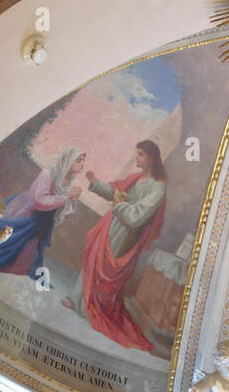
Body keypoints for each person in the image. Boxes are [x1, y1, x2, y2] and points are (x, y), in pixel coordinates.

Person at [62, 139, 166, 351]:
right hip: (112, 224)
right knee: (93, 259)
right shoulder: (137, 178)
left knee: (106, 269)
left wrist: (119, 206)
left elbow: (137, 216)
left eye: (140, 155)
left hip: (127, 232)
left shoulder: (158, 187)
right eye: (137, 154)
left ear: (151, 158)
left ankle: (96, 309)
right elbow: (116, 192)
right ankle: (76, 299)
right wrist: (96, 183)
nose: (137, 158)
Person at [0, 145, 86, 278]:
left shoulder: (69, 184)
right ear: (68, 160)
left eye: (83, 161)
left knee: (27, 255)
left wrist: (73, 201)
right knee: (6, 240)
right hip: (26, 212)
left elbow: (67, 215)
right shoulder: (48, 174)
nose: (82, 164)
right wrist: (66, 197)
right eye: (79, 161)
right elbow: (40, 201)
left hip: (41, 222)